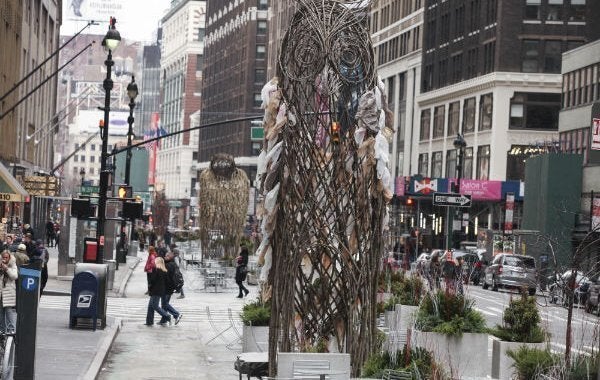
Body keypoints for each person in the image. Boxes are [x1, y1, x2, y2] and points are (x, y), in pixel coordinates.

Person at [145, 257, 171, 326]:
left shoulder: (155, 270)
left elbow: (152, 280)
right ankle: (149, 321)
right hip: (160, 291)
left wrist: (149, 274)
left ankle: (167, 316)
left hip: (155, 290)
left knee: (155, 306)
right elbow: (167, 281)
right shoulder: (164, 270)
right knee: (150, 306)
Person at [0, 251, 18, 334]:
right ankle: (2, 330)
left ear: (9, 258)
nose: (4, 259)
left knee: (9, 312)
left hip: (9, 294)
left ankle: (11, 331)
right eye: (3, 257)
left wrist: (6, 269)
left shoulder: (13, 265)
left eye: (6, 257)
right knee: (1, 314)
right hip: (1, 293)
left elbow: (14, 276)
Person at [162, 252, 182, 325]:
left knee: (164, 304)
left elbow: (167, 277)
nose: (164, 256)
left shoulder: (168, 265)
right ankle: (163, 320)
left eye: (166, 256)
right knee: (165, 304)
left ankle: (176, 314)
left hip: (167, 287)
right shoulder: (173, 264)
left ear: (169, 257)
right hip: (170, 287)